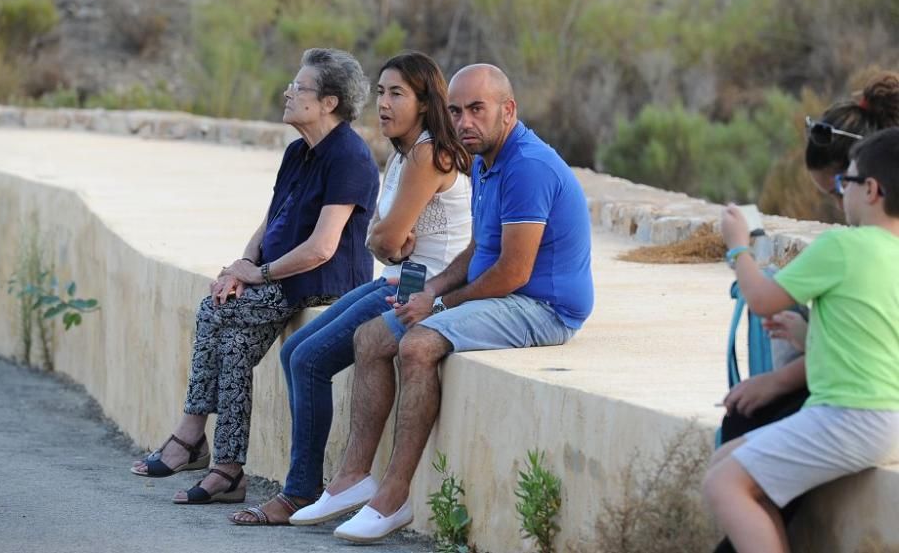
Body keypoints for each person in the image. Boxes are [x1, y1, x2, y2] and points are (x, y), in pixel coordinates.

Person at [290, 63, 595, 542]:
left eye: (477, 109)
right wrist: (432, 290)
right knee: (371, 338)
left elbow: (514, 272)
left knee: (417, 345)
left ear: (508, 110)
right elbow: (478, 251)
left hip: (543, 307)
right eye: (455, 111)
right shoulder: (488, 160)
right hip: (504, 294)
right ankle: (352, 479)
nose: (464, 121)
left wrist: (436, 308)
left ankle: (392, 498)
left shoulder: (527, 167)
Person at [128, 48, 380, 506]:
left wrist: (258, 274)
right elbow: (273, 221)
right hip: (279, 279)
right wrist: (239, 269)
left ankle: (191, 436)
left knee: (214, 310)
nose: (288, 92)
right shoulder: (297, 152)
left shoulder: (350, 157)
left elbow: (323, 247)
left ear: (328, 102)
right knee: (231, 339)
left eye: (299, 87)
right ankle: (227, 470)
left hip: (323, 281)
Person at [229, 52, 473, 525]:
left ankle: (304, 489)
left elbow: (384, 237)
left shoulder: (427, 154)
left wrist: (389, 239)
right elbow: (379, 239)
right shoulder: (404, 153)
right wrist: (388, 239)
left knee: (308, 359)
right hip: (396, 277)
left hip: (420, 288)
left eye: (396, 93)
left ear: (425, 102)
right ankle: (322, 484)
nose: (383, 103)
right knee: (295, 350)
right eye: (381, 92)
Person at [712, 72, 899, 552]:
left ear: (871, 189)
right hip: (883, 416)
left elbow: (759, 299)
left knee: (723, 484)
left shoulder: (843, 247)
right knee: (733, 463)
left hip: (850, 415)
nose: (840, 198)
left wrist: (740, 248)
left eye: (845, 183)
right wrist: (811, 334)